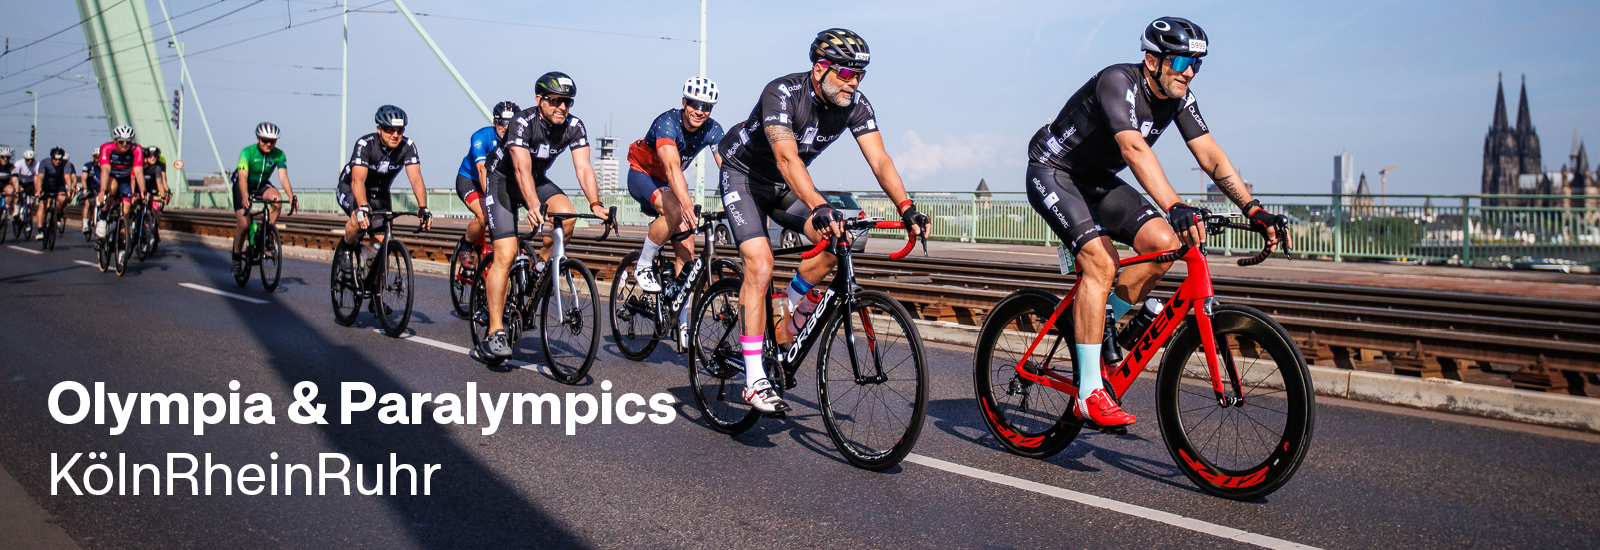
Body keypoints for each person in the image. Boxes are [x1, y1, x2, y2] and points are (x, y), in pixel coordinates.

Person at [1024, 17, 1290, 429]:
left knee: (1164, 244)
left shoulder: (1181, 97)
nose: (1189, 71)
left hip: (1096, 182)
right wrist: (1174, 203)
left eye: (1197, 64)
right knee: (1101, 263)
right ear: (1152, 60)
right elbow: (1132, 148)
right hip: (1054, 172)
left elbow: (1211, 155)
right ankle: (1089, 391)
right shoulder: (1117, 81)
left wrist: (1252, 209)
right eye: (1182, 60)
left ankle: (1103, 317)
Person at [714, 29, 926, 413]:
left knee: (837, 239)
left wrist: (906, 207)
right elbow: (787, 159)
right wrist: (818, 203)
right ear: (820, 68)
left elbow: (880, 160)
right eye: (847, 73)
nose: (854, 82)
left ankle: (786, 304)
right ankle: (753, 379)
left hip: (782, 185)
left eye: (861, 74)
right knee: (760, 264)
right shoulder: (781, 93)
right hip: (744, 175)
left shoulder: (856, 105)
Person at [475, 71, 609, 360]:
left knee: (568, 215)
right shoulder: (522, 123)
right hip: (503, 182)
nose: (563, 107)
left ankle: (539, 270)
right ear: (540, 100)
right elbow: (521, 168)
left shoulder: (574, 126)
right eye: (556, 101)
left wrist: (596, 203)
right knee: (506, 253)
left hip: (536, 179)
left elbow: (583, 167)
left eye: (568, 102)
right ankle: (494, 331)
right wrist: (533, 205)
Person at [625, 77, 725, 301]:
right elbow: (671, 168)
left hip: (669, 184)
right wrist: (687, 203)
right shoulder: (666, 123)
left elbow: (726, 167)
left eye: (706, 107)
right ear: (684, 103)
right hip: (643, 175)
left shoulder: (713, 129)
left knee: (688, 253)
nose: (699, 111)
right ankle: (643, 265)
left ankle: (679, 319)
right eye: (694, 104)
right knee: (676, 209)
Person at [334, 105, 431, 273]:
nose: (395, 135)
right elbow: (358, 180)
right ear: (379, 129)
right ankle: (346, 247)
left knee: (382, 247)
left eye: (399, 130)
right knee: (358, 219)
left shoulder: (408, 146)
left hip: (379, 194)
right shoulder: (365, 145)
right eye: (389, 130)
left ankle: (375, 294)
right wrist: (362, 207)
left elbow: (415, 178)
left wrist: (423, 208)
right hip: (351, 188)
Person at [453, 100, 520, 270]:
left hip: (498, 181)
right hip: (471, 180)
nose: (505, 127)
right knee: (484, 215)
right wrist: (492, 201)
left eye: (510, 123)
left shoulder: (519, 141)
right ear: (494, 122)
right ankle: (466, 246)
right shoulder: (481, 137)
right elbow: (482, 171)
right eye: (501, 123)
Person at [233, 122, 295, 267]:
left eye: (272, 141)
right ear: (258, 139)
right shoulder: (246, 152)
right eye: (264, 141)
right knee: (244, 223)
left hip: (261, 184)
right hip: (243, 184)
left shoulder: (279, 154)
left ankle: (265, 234)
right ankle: (236, 256)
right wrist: (244, 195)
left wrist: (290, 195)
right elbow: (242, 177)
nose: (268, 144)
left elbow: (283, 177)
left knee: (277, 200)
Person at [95, 125, 145, 250]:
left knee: (126, 211)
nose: (124, 145)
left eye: (128, 142)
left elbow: (138, 172)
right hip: (111, 177)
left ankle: (120, 242)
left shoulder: (137, 149)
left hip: (125, 180)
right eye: (121, 142)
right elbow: (105, 170)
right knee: (112, 187)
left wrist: (143, 192)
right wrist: (102, 190)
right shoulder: (106, 148)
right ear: (115, 141)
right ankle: (102, 218)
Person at [34, 147, 75, 236]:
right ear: (52, 158)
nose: (57, 162)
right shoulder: (45, 162)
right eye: (55, 159)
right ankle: (40, 230)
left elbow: (67, 177)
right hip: (46, 185)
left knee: (63, 198)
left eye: (59, 160)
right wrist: (38, 189)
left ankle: (58, 215)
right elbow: (40, 177)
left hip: (58, 185)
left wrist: (69, 189)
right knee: (42, 204)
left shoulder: (66, 164)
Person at [81, 152, 101, 236]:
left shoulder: (104, 166)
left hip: (100, 188)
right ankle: (85, 225)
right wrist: (85, 189)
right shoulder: (88, 166)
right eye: (96, 157)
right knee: (87, 203)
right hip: (91, 188)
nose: (98, 159)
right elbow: (83, 178)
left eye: (99, 157)